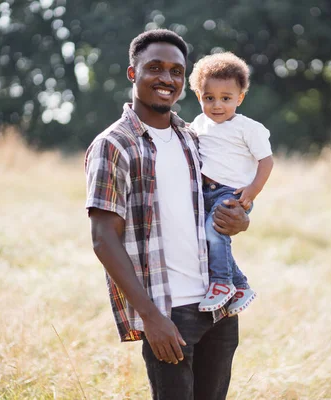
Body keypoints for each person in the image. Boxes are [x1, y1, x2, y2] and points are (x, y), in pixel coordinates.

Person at [84, 29, 250, 400]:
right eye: (155, 68)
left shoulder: (194, 139)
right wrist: (151, 318)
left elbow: (221, 203)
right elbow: (103, 238)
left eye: (177, 71)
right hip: (169, 314)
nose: (167, 79)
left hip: (217, 307)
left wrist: (241, 219)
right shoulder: (114, 145)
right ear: (133, 73)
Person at [189, 52, 274, 316]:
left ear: (240, 98)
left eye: (226, 99)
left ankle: (222, 284)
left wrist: (252, 191)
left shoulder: (248, 128)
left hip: (232, 193)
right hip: (206, 192)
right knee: (208, 239)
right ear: (198, 96)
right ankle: (240, 285)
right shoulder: (198, 125)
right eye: (209, 98)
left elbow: (266, 162)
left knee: (214, 233)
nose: (217, 105)